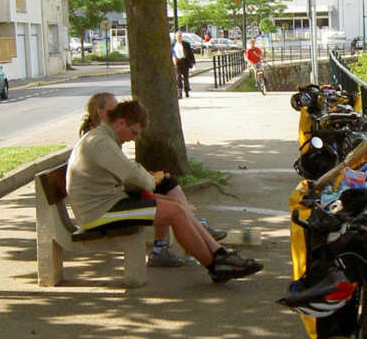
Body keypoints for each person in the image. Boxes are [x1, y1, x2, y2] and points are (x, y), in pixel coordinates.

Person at [69, 96, 260, 282]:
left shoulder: (104, 138)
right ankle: (214, 266)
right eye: (134, 133)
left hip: (106, 203)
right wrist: (151, 180)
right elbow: (133, 175)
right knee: (175, 212)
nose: (134, 139)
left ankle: (220, 253)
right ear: (120, 123)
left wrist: (145, 178)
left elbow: (129, 174)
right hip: (97, 213)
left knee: (176, 205)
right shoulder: (101, 143)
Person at [172, 31, 196, 98]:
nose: (179, 38)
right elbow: (172, 53)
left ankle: (187, 91)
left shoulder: (186, 44)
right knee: (178, 78)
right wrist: (173, 58)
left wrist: (193, 62)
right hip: (177, 62)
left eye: (180, 36)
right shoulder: (173, 45)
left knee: (186, 78)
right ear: (175, 37)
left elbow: (190, 54)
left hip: (185, 62)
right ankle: (179, 92)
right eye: (177, 37)